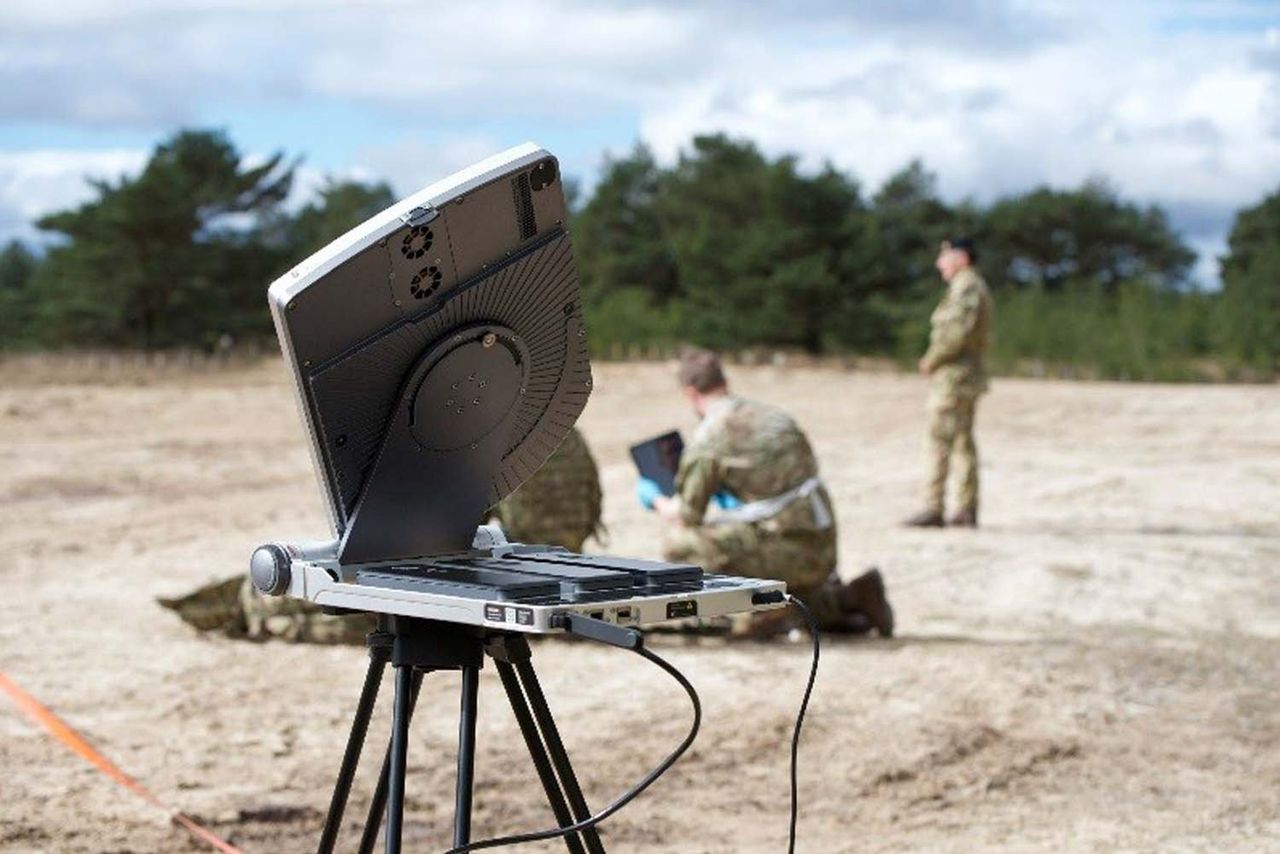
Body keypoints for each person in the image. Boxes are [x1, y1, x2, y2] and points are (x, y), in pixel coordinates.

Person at [160, 428, 605, 642]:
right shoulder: (563, 432)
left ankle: (244, 609)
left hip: (505, 581)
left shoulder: (491, 438)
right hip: (557, 566)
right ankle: (233, 606)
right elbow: (591, 507)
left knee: (341, 600)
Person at [638, 347, 893, 636]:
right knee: (749, 549)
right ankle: (848, 598)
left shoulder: (708, 440)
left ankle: (760, 615)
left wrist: (655, 498)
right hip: (821, 545)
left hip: (788, 551)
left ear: (690, 393)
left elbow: (686, 517)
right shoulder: (772, 417)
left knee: (680, 545)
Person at [905, 237, 994, 529]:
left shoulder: (966, 286)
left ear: (962, 258)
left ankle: (934, 507)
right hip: (962, 376)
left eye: (944, 257)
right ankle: (965, 509)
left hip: (954, 377)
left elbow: (956, 332)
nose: (939, 263)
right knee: (961, 442)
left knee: (940, 440)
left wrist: (933, 358)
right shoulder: (970, 285)